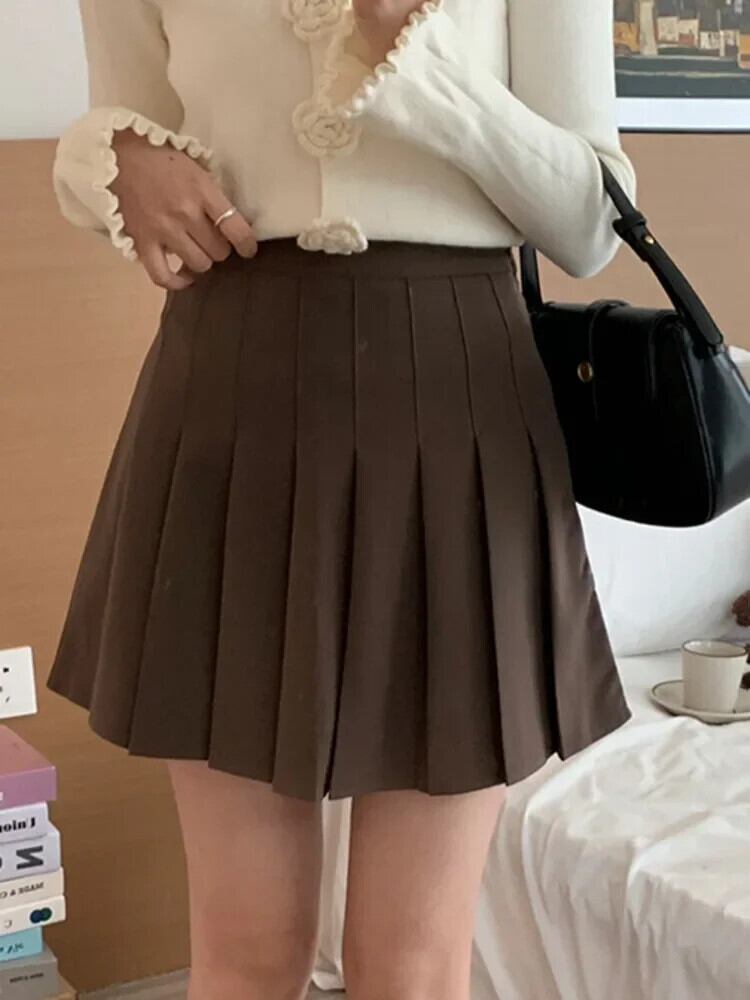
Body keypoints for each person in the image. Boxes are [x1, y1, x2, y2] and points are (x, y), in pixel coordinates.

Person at [46, 2, 635, 998]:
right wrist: (110, 159)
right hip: (229, 392)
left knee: (412, 965)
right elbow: (126, 125)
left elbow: (589, 221)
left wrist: (412, 59)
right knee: (245, 948)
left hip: (455, 400)